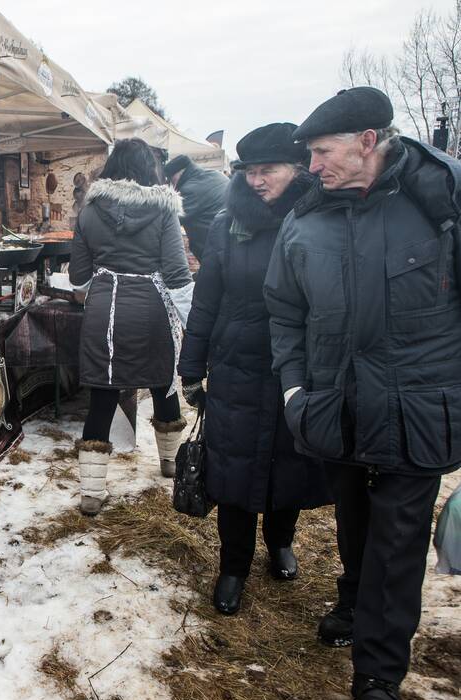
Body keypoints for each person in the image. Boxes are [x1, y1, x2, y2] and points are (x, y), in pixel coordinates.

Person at [264, 87, 461, 700]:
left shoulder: (442, 204)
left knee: (398, 544)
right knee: (354, 525)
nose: (313, 166)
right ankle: (354, 603)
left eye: (323, 152)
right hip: (336, 408)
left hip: (418, 411)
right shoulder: (305, 220)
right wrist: (295, 389)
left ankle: (378, 677)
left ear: (368, 142)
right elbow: (284, 311)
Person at [177, 123, 330, 616]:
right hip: (238, 358)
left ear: (298, 169)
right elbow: (208, 296)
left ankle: (281, 542)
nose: (258, 180)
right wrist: (192, 363)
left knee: (289, 457)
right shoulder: (228, 222)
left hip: (299, 364)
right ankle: (233, 565)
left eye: (271, 170)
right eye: (251, 171)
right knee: (235, 464)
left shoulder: (319, 217)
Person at [70, 138, 193, 516]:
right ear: (149, 169)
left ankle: (92, 492)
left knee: (103, 397)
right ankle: (170, 463)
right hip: (151, 311)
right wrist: (196, 327)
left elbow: (78, 279)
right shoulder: (163, 209)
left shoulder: (89, 210)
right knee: (161, 381)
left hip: (104, 311)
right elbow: (176, 274)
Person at [164, 155, 229, 261]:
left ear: (181, 172)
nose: (172, 185)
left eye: (172, 179)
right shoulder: (215, 174)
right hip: (231, 244)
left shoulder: (189, 190)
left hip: (216, 251)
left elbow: (169, 221)